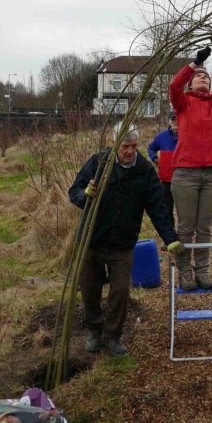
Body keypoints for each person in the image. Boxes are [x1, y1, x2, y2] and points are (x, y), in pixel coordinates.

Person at [68, 124, 181, 356]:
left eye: (134, 146)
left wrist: (170, 238)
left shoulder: (144, 171)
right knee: (89, 288)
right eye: (125, 146)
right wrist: (85, 195)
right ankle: (94, 331)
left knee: (120, 291)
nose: (130, 151)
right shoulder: (99, 163)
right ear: (115, 144)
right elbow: (75, 190)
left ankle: (112, 336)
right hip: (92, 239)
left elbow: (158, 208)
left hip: (122, 243)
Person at [169, 36, 212, 290]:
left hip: (211, 175)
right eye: (199, 76)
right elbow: (174, 85)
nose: (203, 77)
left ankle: (202, 271)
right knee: (185, 227)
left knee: (205, 227)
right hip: (185, 174)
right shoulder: (183, 103)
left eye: (207, 76)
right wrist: (196, 62)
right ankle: (185, 272)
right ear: (192, 82)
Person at [147, 110, 178, 228]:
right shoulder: (161, 136)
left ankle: (185, 236)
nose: (176, 122)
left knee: (184, 210)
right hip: (165, 180)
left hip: (183, 180)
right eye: (173, 119)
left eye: (178, 119)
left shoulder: (187, 136)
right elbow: (150, 148)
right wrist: (155, 159)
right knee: (167, 209)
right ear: (169, 121)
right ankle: (170, 237)